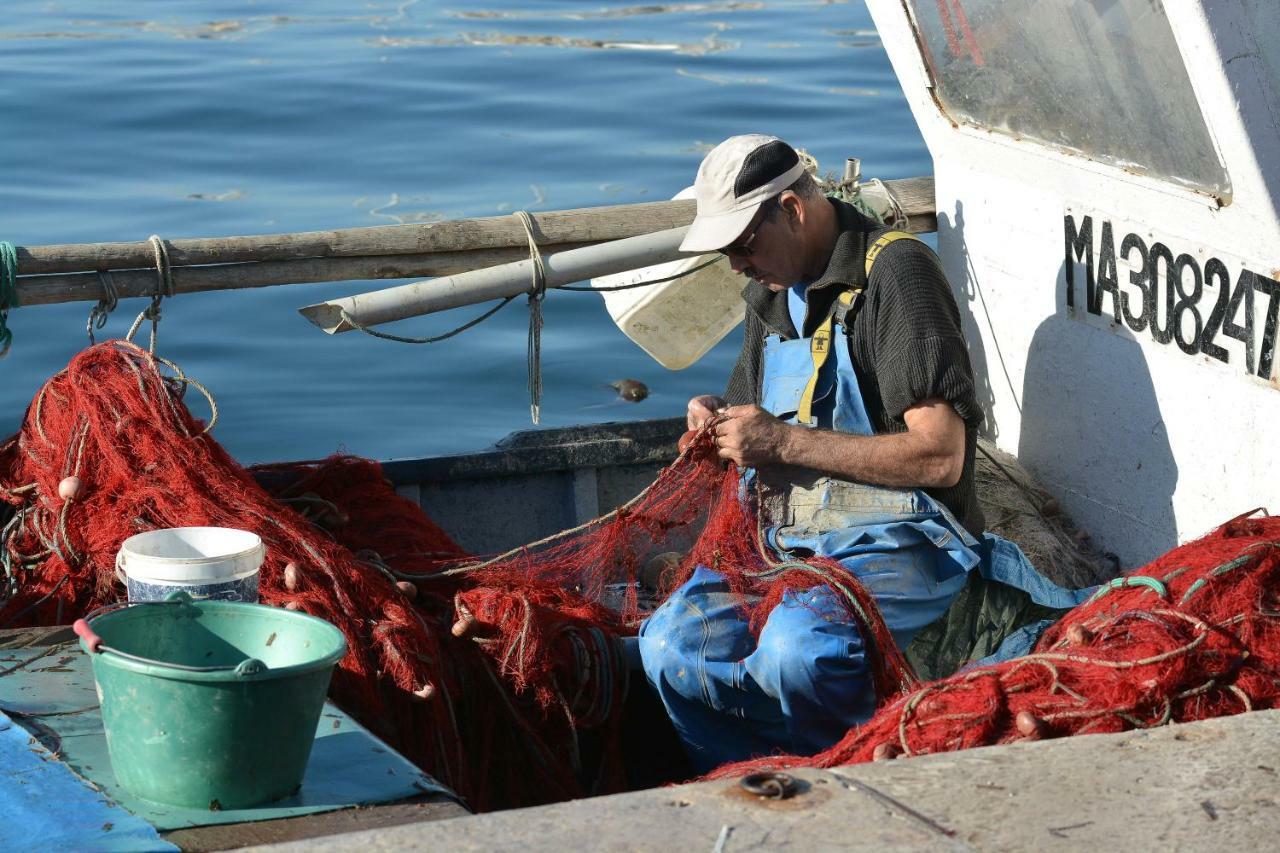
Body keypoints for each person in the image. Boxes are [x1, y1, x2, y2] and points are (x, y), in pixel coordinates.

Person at [638, 134, 1091, 773]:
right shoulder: (770, 290)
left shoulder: (897, 276)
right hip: (787, 542)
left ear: (792, 210)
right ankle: (745, 782)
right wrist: (717, 418)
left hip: (904, 538)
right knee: (669, 645)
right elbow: (758, 415)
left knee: (802, 651)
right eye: (727, 252)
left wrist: (781, 441)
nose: (737, 265)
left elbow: (942, 458)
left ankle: (853, 780)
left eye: (743, 245)